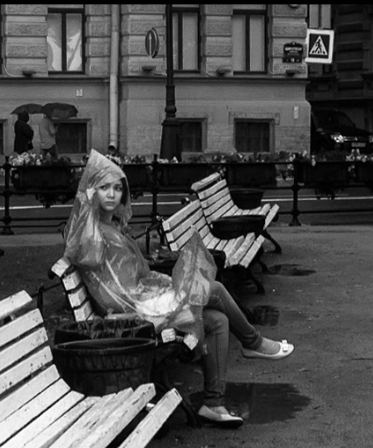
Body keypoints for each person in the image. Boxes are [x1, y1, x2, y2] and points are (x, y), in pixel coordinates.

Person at [64, 150, 293, 428]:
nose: (112, 195)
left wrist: (160, 288)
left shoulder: (111, 227)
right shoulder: (92, 233)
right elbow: (88, 258)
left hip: (141, 303)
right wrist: (163, 295)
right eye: (103, 188)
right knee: (214, 288)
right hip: (130, 315)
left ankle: (213, 403)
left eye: (117, 188)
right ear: (92, 192)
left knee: (217, 321)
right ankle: (253, 343)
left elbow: (132, 275)